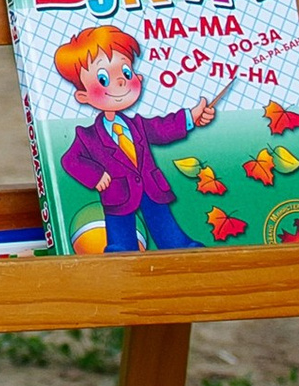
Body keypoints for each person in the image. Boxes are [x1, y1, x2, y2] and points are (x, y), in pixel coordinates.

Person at [50, 24, 217, 253]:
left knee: (164, 224)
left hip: (151, 187)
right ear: (83, 95)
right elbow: (70, 160)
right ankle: (120, 252)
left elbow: (161, 128)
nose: (120, 82)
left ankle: (180, 247)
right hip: (117, 193)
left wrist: (190, 117)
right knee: (120, 235)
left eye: (126, 73)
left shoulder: (137, 125)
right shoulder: (87, 136)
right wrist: (96, 175)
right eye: (103, 79)